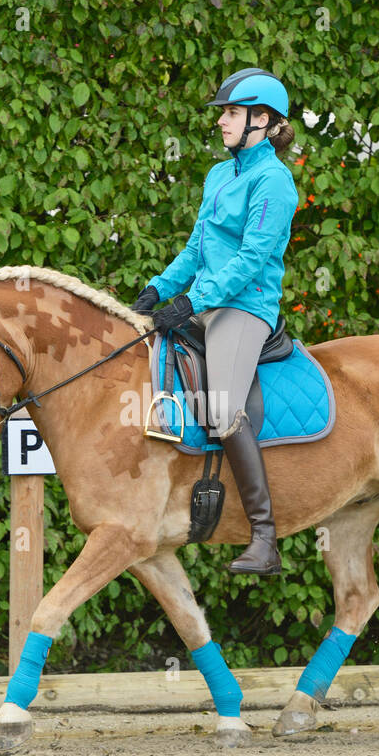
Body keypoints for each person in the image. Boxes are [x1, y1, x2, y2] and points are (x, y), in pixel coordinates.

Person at [133, 68, 299, 576]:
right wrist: (160, 288)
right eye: (224, 112)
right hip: (206, 302)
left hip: (246, 309)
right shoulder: (218, 175)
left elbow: (251, 261)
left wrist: (192, 301)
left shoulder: (275, 181)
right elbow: (196, 247)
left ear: (262, 120)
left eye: (231, 112)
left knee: (224, 407)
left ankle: (265, 537)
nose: (222, 121)